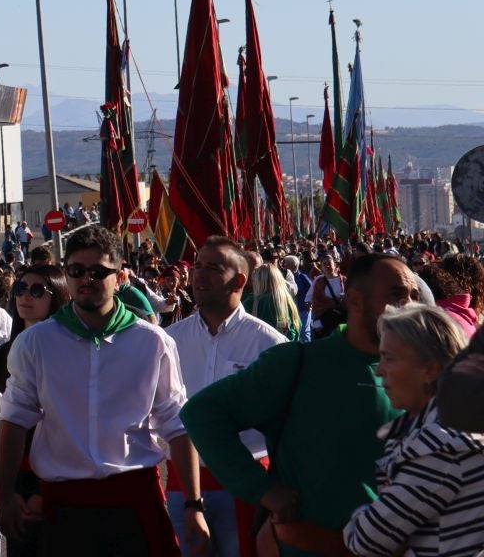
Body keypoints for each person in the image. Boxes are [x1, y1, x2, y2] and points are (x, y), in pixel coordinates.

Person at [182, 252, 417, 557]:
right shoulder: (298, 363)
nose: (410, 305)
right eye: (397, 295)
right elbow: (202, 413)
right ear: (355, 300)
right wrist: (262, 490)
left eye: (414, 295)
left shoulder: (423, 369)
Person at [0, 224, 205, 557]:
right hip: (64, 503)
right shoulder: (36, 342)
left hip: (134, 496)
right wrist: (5, 495)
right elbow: (14, 420)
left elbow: (177, 426)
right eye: (76, 271)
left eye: (97, 272)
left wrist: (194, 505)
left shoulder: (153, 342)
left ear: (119, 277)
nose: (86, 280)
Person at [163, 238, 287, 557]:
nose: (200, 274)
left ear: (239, 280)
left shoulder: (269, 344)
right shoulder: (169, 341)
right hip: (181, 482)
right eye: (197, 266)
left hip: (245, 482)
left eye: (213, 267)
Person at [340, 304, 479, 557]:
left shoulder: (441, 445)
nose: (379, 370)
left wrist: (362, 516)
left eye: (389, 358)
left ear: (430, 370)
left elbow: (365, 540)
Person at [0, 263, 68, 553]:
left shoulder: (70, 353)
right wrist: (6, 491)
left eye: (37, 290)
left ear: (57, 296)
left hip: (61, 480)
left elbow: (68, 427)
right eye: (20, 288)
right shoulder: (1, 356)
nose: (25, 296)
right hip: (13, 481)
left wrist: (44, 491)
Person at [245, 265, 302, 341]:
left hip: (262, 345)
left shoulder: (254, 301)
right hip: (286, 345)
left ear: (258, 281)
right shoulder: (286, 300)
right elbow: (287, 330)